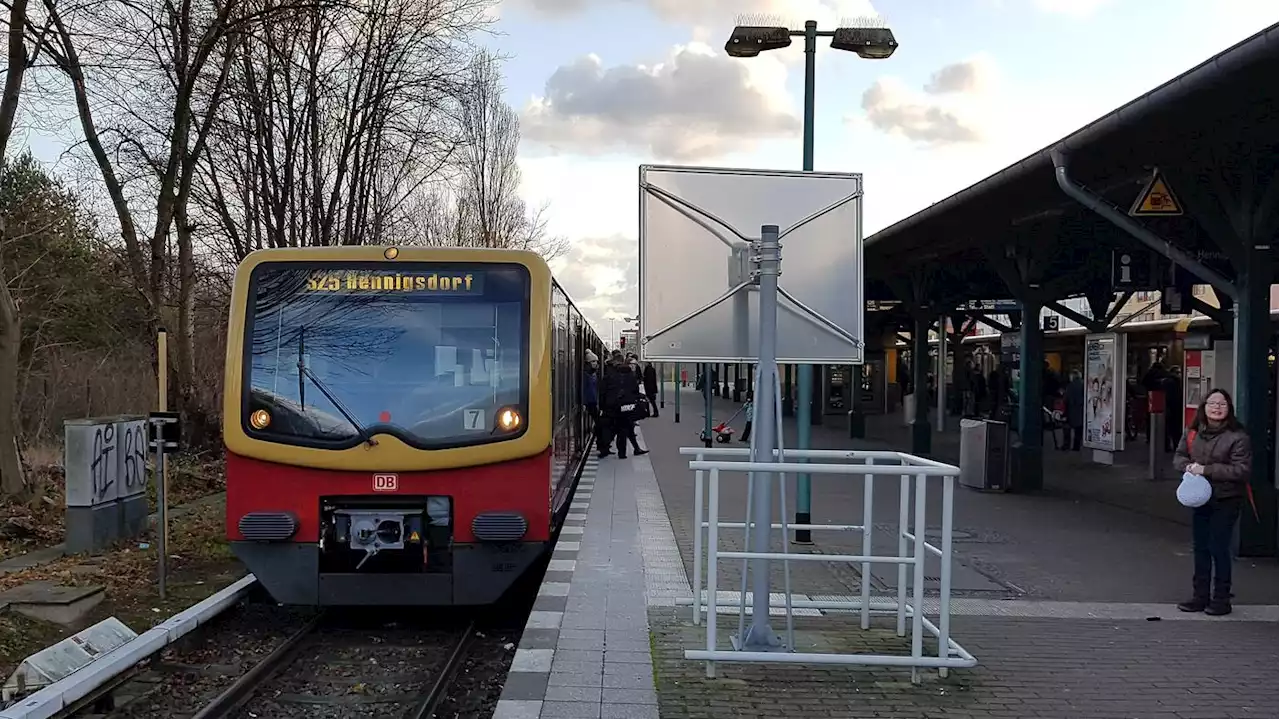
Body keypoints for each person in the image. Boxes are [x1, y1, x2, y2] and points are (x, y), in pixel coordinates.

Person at [1172, 388, 1252, 616]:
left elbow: (1242, 470)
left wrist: (1206, 469)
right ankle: (1200, 596)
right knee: (1201, 548)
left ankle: (1221, 598)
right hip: (1199, 498)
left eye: (1222, 404)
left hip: (1226, 498)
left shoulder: (1238, 436)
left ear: (1229, 409)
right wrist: (1187, 466)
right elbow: (1179, 456)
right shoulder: (1193, 432)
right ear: (1204, 407)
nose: (1217, 408)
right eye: (1212, 403)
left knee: (1219, 547)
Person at [601, 352, 648, 458]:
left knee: (610, 428)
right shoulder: (630, 376)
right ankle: (622, 453)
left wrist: (603, 406)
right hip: (626, 407)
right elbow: (635, 390)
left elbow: (603, 391)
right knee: (623, 429)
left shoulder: (610, 376)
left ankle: (604, 449)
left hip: (611, 406)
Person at [582, 350, 610, 458]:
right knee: (599, 424)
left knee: (599, 423)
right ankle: (602, 446)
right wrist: (584, 402)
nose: (596, 363)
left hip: (593, 402)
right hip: (589, 403)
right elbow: (583, 389)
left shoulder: (593, 374)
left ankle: (601, 445)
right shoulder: (586, 375)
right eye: (594, 362)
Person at [1065, 369, 1084, 451]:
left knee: (1067, 427)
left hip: (1071, 409)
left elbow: (1067, 398)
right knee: (1078, 429)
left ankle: (1066, 445)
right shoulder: (1083, 384)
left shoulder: (1070, 386)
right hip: (1081, 408)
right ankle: (1076, 446)